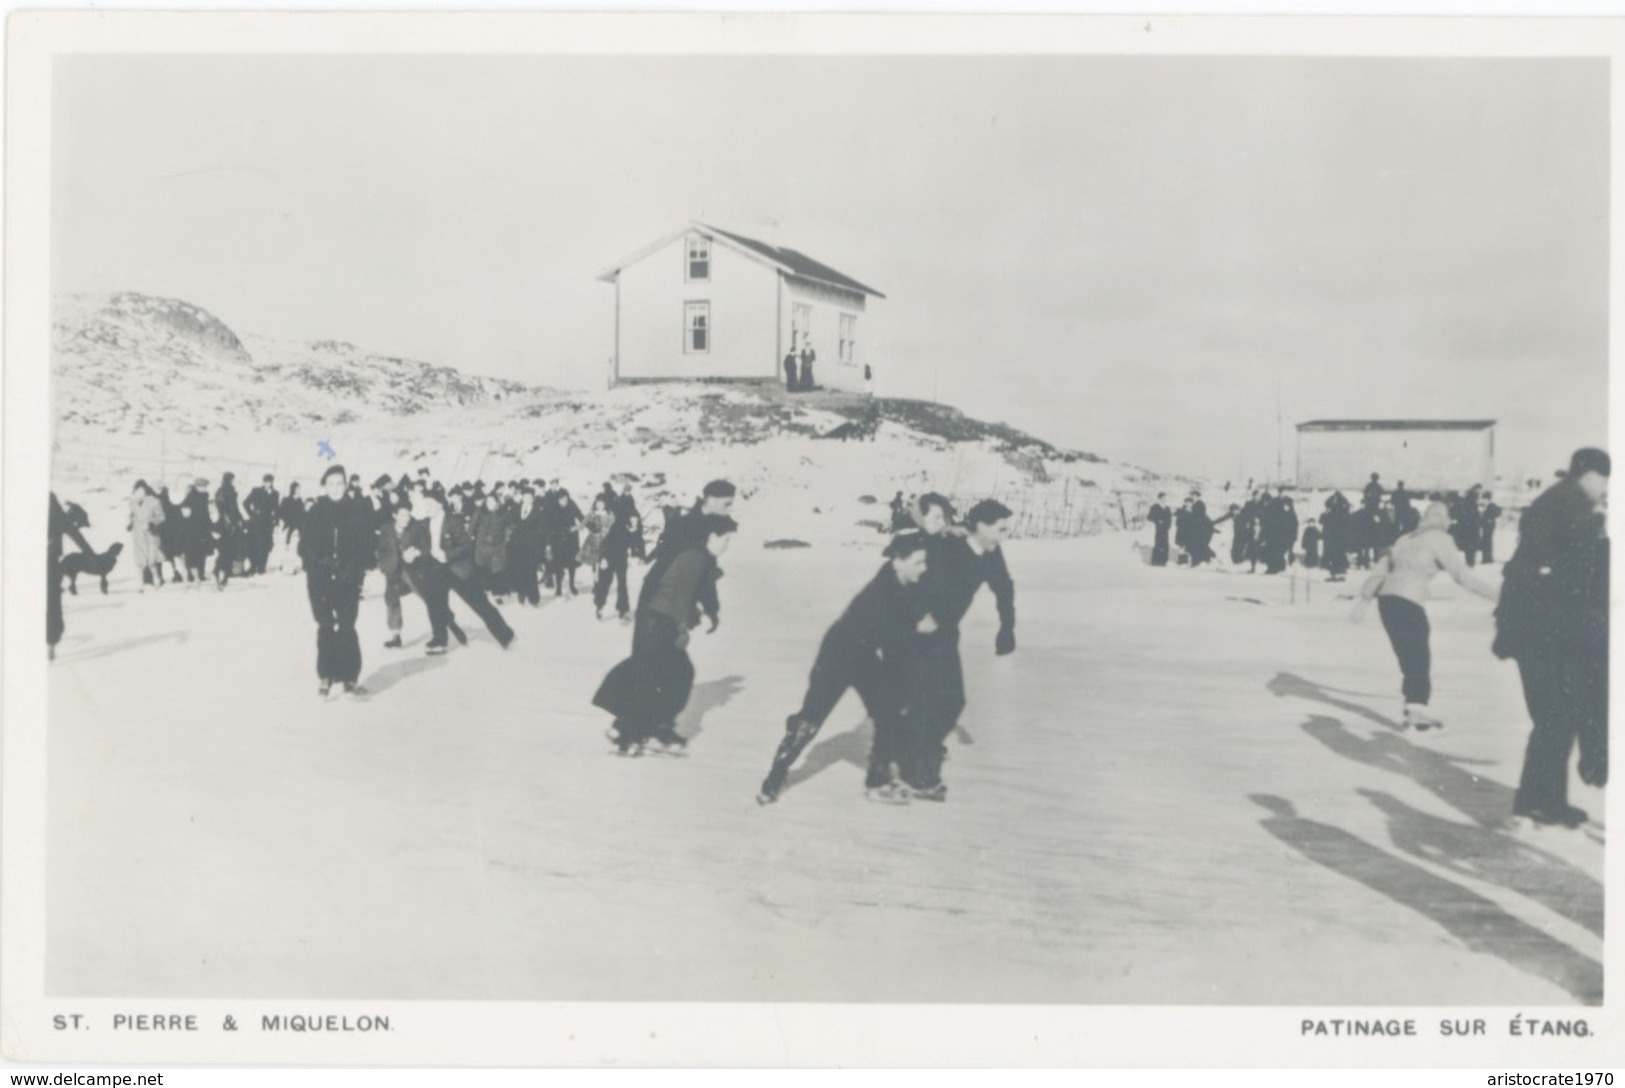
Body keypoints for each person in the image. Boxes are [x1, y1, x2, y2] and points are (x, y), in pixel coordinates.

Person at [757, 531, 932, 805]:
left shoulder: (903, 582)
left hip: (863, 654)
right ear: (899, 561)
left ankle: (877, 780)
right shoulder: (883, 593)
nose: (924, 569)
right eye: (919, 563)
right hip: (838, 655)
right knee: (810, 720)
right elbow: (895, 647)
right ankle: (774, 778)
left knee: (887, 710)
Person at [1493, 448, 1609, 828]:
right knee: (1556, 716)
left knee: (1556, 716)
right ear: (1589, 475)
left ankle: (1547, 802)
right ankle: (1533, 805)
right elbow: (1564, 572)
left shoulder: (1561, 504)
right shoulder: (1570, 507)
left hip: (1541, 630)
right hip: (1545, 632)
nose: (1606, 489)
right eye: (1604, 480)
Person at [594, 514, 738, 755]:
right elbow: (679, 592)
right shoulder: (696, 557)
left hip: (657, 620)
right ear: (712, 537)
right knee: (674, 675)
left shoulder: (698, 556)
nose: (727, 545)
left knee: (659, 675)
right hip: (660, 622)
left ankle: (629, 729)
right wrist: (682, 627)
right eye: (726, 539)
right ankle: (642, 731)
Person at [905, 498, 1016, 800]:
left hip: (945, 631)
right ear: (980, 526)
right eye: (1000, 528)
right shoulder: (947, 547)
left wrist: (1007, 628)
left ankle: (919, 748)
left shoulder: (991, 553)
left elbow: (1004, 587)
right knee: (929, 700)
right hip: (915, 630)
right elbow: (918, 581)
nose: (1004, 534)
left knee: (953, 702)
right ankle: (922, 774)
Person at [1352, 501, 1500, 730]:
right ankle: (1416, 708)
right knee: (1419, 655)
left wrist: (1365, 598)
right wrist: (1496, 594)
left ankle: (1414, 706)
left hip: (1387, 602)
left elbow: (1382, 565)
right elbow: (1461, 575)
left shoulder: (1406, 538)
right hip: (1409, 602)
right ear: (1445, 520)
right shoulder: (1440, 539)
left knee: (1409, 655)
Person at [298, 464, 376, 697]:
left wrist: (351, 569)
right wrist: (321, 563)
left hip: (347, 579)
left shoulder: (356, 510)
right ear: (324, 486)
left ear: (346, 485)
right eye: (331, 484)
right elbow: (305, 547)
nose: (335, 488)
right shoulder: (315, 512)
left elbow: (365, 546)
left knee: (347, 626)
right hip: (320, 580)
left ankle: (350, 677)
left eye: (339, 483)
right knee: (325, 626)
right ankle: (326, 675)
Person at [440, 491, 515, 648]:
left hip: (496, 548)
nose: (489, 505)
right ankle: (444, 634)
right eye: (487, 502)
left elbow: (510, 527)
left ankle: (504, 631)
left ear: (498, 502)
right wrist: (471, 536)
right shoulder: (481, 513)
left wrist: (506, 537)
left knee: (488, 584)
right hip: (481, 548)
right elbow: (472, 527)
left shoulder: (504, 514)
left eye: (492, 502)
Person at [48, 492, 94, 660]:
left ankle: (50, 640)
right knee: (52, 601)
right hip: (51, 562)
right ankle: (51, 641)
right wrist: (89, 553)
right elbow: (74, 532)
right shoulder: (55, 509)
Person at [128, 480, 167, 589]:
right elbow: (132, 516)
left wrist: (151, 524)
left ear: (145, 490)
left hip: (151, 535)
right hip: (138, 535)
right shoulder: (132, 503)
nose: (139, 493)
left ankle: (157, 580)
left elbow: (161, 517)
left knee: (152, 561)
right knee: (140, 561)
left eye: (142, 490)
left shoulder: (154, 501)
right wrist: (130, 524)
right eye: (137, 490)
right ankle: (141, 585)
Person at [1147, 493, 1172, 567]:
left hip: (1166, 528)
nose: (1164, 499)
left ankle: (1164, 560)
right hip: (1159, 528)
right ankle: (1156, 561)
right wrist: (1158, 520)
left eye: (1165, 498)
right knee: (1158, 543)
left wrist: (1168, 525)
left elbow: (1169, 518)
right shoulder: (1155, 507)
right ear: (1159, 498)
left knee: (1165, 543)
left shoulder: (1167, 507)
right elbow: (1149, 517)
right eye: (1163, 497)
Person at [1479, 493, 1502, 565]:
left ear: (1488, 499)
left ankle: (1487, 558)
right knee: (1486, 541)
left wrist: (1491, 518)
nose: (1484, 500)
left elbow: (1499, 511)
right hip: (1486, 525)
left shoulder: (1492, 505)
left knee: (1487, 541)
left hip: (1489, 526)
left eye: (1485, 499)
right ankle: (1487, 558)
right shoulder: (1487, 506)